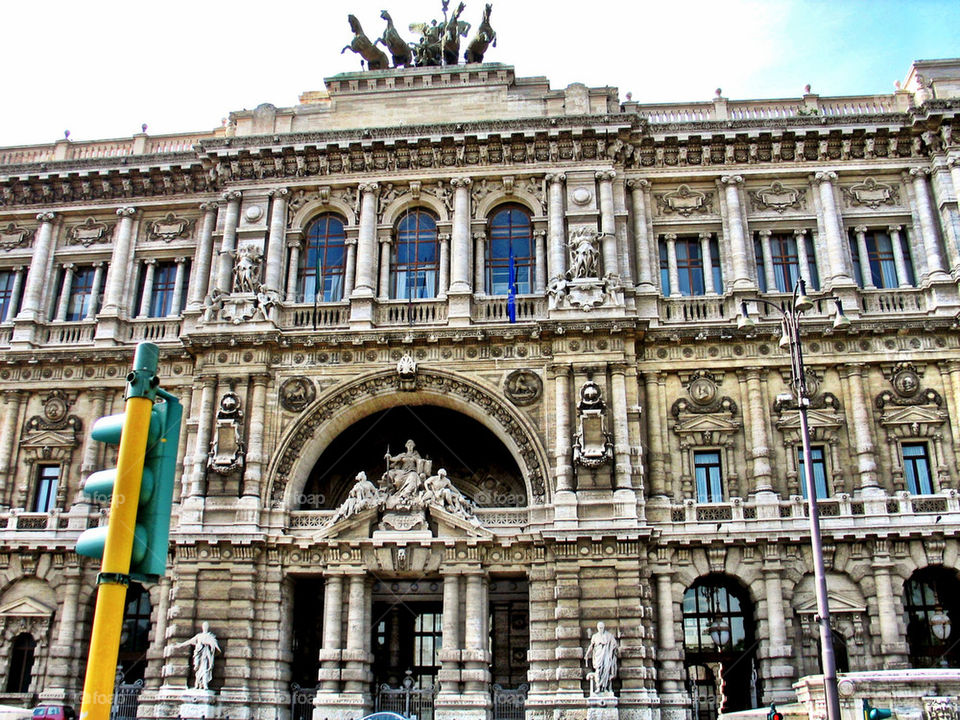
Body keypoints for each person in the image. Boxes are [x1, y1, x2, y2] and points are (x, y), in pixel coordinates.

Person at [174, 622, 221, 691]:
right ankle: (198, 684)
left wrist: (209, 644)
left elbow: (214, 647)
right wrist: (180, 645)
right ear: (202, 627)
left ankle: (205, 685)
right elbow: (189, 641)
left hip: (206, 655)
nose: (205, 627)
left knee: (205, 669)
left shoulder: (210, 636)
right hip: (199, 655)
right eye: (204, 626)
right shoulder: (199, 636)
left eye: (206, 626)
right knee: (198, 669)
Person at [584, 621, 619, 695]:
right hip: (598, 656)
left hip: (606, 656)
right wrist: (587, 654)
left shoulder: (608, 635)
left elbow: (614, 644)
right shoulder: (595, 636)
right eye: (599, 628)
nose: (601, 629)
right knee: (598, 671)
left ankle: (605, 687)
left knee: (606, 670)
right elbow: (591, 646)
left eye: (602, 627)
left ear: (604, 628)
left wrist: (612, 649)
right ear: (597, 628)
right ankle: (598, 687)